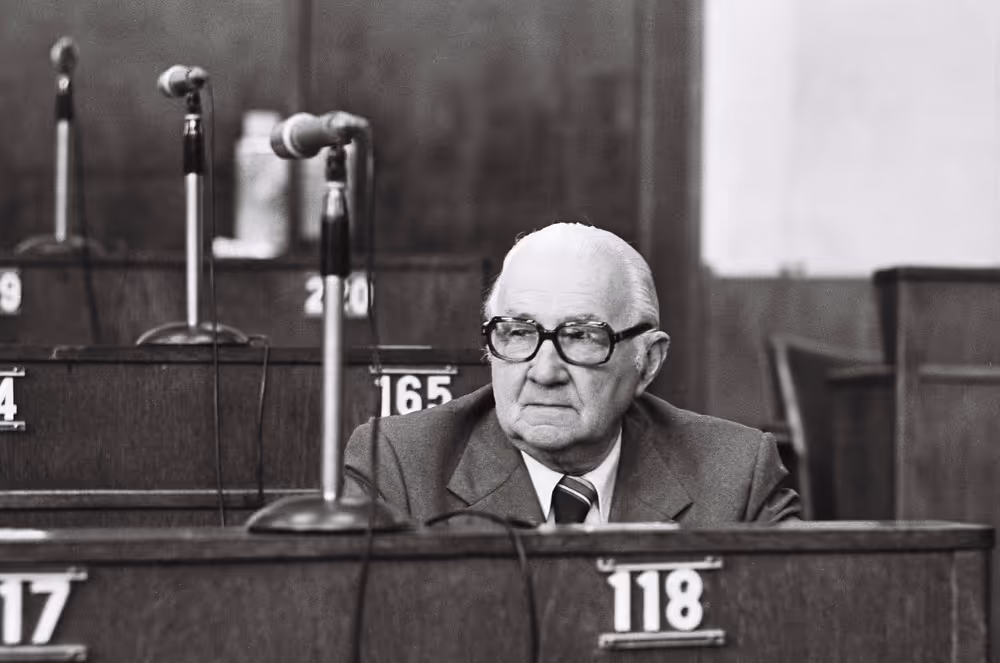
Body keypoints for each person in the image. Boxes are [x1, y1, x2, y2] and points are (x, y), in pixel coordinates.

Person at [345, 223, 800, 525]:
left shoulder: (737, 475)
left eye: (582, 336)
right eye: (518, 332)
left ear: (649, 362)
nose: (544, 372)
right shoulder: (399, 468)